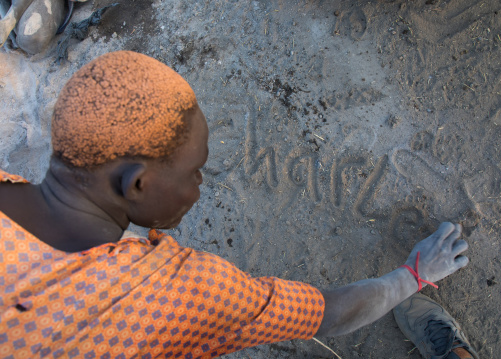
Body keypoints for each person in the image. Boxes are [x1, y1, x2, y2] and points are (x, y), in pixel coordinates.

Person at [0, 51, 476, 358]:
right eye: (194, 170)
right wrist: (413, 276)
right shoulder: (178, 294)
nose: (200, 182)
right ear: (137, 184)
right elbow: (327, 313)